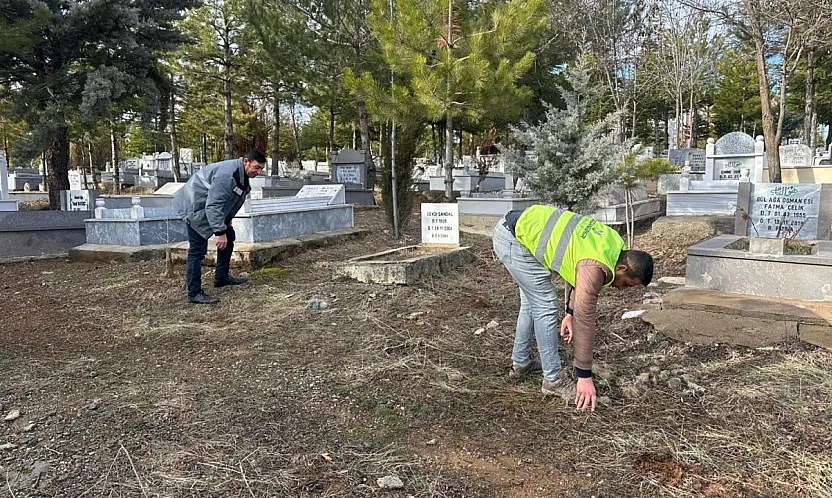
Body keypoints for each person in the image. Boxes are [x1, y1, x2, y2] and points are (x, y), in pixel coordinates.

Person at [492, 205, 653, 411]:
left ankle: (521, 363)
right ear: (621, 269)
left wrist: (569, 313)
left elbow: (578, 268)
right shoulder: (596, 265)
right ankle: (553, 381)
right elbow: (585, 319)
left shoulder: (613, 245)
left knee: (532, 302)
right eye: (626, 284)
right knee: (546, 304)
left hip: (520, 228)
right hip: (513, 238)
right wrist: (583, 376)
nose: (621, 289)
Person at [173, 149, 267, 304]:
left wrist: (227, 220)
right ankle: (194, 292)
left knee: (229, 237)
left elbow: (232, 198)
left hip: (206, 207)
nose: (259, 172)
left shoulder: (241, 174)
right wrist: (219, 231)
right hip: (194, 208)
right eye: (256, 167)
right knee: (197, 251)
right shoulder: (227, 175)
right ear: (246, 162)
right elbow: (213, 205)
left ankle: (221, 277)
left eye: (261, 169)